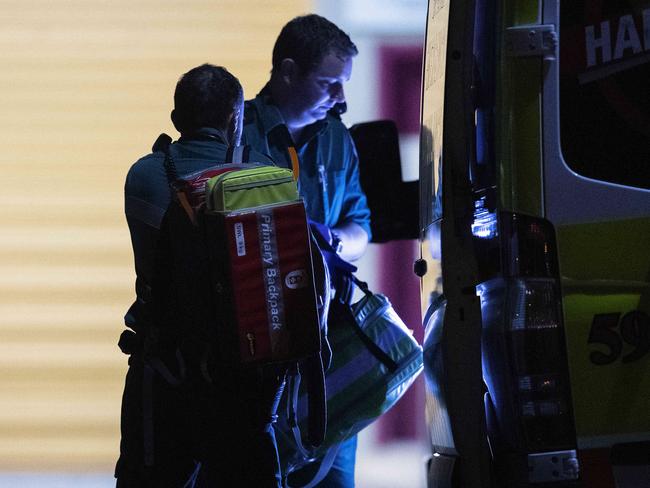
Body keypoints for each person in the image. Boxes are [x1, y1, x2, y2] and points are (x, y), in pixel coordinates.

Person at [116, 63, 285, 488]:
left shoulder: (144, 175)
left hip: (163, 368)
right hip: (243, 375)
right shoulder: (264, 176)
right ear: (235, 119)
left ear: (176, 120)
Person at [242, 14, 372, 487]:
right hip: (255, 353)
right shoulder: (239, 137)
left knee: (334, 477)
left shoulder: (339, 140)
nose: (341, 99)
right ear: (288, 72)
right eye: (329, 83)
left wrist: (332, 239)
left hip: (326, 347)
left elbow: (362, 228)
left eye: (344, 85)